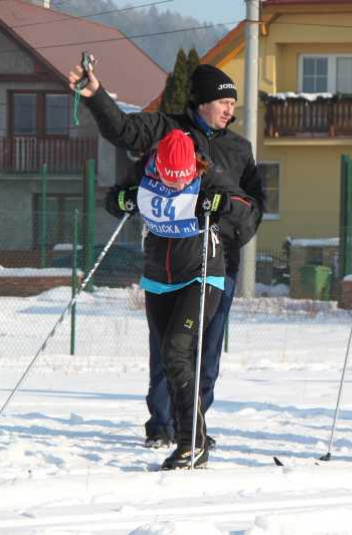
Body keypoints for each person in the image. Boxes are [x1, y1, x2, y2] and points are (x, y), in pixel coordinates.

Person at [69, 62, 266, 449]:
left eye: (232, 103)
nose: (230, 110)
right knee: (168, 349)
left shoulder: (239, 149)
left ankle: (193, 427)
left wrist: (226, 227)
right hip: (169, 266)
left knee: (206, 356)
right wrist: (96, 98)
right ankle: (162, 424)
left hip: (216, 264)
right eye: (223, 101)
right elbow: (123, 131)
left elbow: (254, 204)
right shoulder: (167, 132)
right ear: (202, 101)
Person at [105, 129, 230, 469]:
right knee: (169, 357)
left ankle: (193, 443)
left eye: (181, 178)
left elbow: (240, 206)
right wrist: (124, 200)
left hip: (201, 274)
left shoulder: (210, 175)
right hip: (159, 279)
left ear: (193, 165)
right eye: (168, 177)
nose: (175, 185)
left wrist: (218, 204)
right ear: (158, 165)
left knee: (177, 350)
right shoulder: (144, 170)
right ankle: (185, 433)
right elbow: (112, 199)